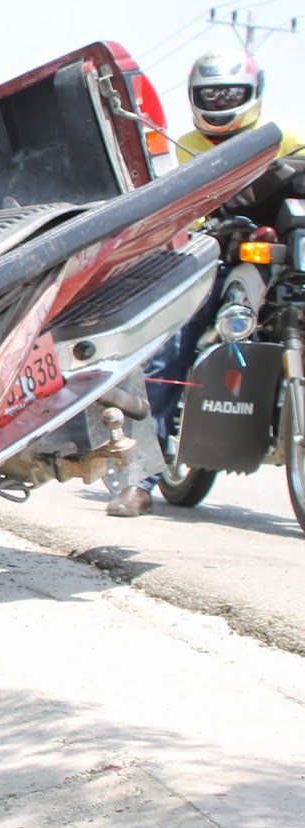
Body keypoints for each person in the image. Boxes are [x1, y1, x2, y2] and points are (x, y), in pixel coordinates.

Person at [108, 48, 301, 515]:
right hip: (223, 254)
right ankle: (141, 480)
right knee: (171, 344)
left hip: (286, 258)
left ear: (253, 94)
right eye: (210, 93)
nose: (219, 100)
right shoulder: (188, 143)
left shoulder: (287, 139)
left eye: (229, 94)